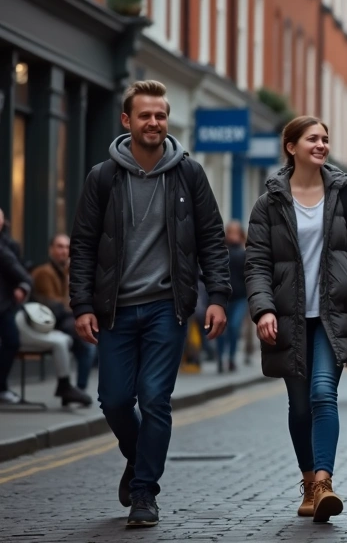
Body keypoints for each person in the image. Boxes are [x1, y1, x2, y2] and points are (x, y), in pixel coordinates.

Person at [69, 80, 231, 527]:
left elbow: (212, 241)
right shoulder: (102, 177)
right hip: (115, 309)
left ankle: (144, 493)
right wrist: (82, 304)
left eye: (160, 115)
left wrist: (217, 296)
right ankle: (137, 457)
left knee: (156, 397)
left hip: (167, 305)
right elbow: (82, 245)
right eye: (145, 115)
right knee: (115, 399)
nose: (154, 123)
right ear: (127, 120)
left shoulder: (189, 174)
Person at [245, 115, 347, 523]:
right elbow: (256, 264)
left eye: (325, 139)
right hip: (288, 318)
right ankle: (308, 482)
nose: (321, 145)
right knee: (299, 406)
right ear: (291, 147)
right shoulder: (269, 202)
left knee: (323, 394)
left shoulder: (344, 194)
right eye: (312, 139)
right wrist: (263, 308)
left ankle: (324, 484)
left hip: (332, 316)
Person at [24, 235, 93, 406]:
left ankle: (75, 390)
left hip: (64, 319)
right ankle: (76, 390)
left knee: (87, 344)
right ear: (51, 250)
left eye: (67, 247)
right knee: (87, 344)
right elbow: (54, 304)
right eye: (59, 246)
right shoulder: (44, 272)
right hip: (48, 322)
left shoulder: (66, 271)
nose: (64, 251)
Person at [0, 208, 31, 405]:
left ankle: (1, 387)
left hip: (4, 304)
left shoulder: (9, 244)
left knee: (12, 341)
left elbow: (18, 270)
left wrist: (23, 285)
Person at [215, 221, 247, 374]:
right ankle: (220, 358)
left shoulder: (245, 252)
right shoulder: (221, 252)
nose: (233, 235)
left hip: (240, 297)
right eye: (230, 232)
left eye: (236, 232)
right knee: (221, 328)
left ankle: (232, 358)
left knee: (234, 327)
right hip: (224, 297)